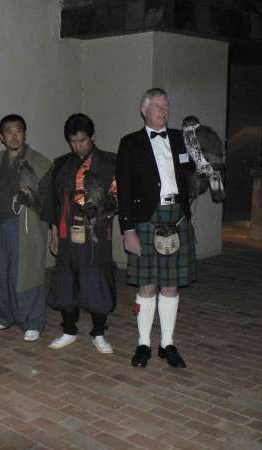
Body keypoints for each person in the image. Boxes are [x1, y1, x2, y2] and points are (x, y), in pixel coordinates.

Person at [116, 88, 196, 368]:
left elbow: (191, 174)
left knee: (171, 284)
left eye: (166, 106)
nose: (164, 111)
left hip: (177, 217)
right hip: (146, 218)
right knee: (147, 284)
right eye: (158, 106)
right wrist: (127, 229)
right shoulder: (130, 143)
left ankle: (167, 344)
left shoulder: (180, 139)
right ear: (144, 110)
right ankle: (143, 344)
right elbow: (124, 189)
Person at [41, 113, 117, 353]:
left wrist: (102, 207)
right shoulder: (61, 164)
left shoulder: (110, 163)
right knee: (66, 282)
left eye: (82, 140)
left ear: (92, 137)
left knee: (97, 282)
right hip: (67, 234)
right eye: (73, 142)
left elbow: (117, 197)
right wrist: (54, 233)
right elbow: (53, 202)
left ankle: (98, 333)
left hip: (96, 234)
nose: (77, 146)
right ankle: (69, 330)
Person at [0, 114, 51, 342]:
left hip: (27, 228)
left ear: (24, 134)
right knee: (0, 272)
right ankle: (3, 316)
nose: (14, 136)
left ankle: (32, 322)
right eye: (8, 132)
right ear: (1, 137)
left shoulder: (40, 163)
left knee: (26, 274)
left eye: (18, 131)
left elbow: (49, 200)